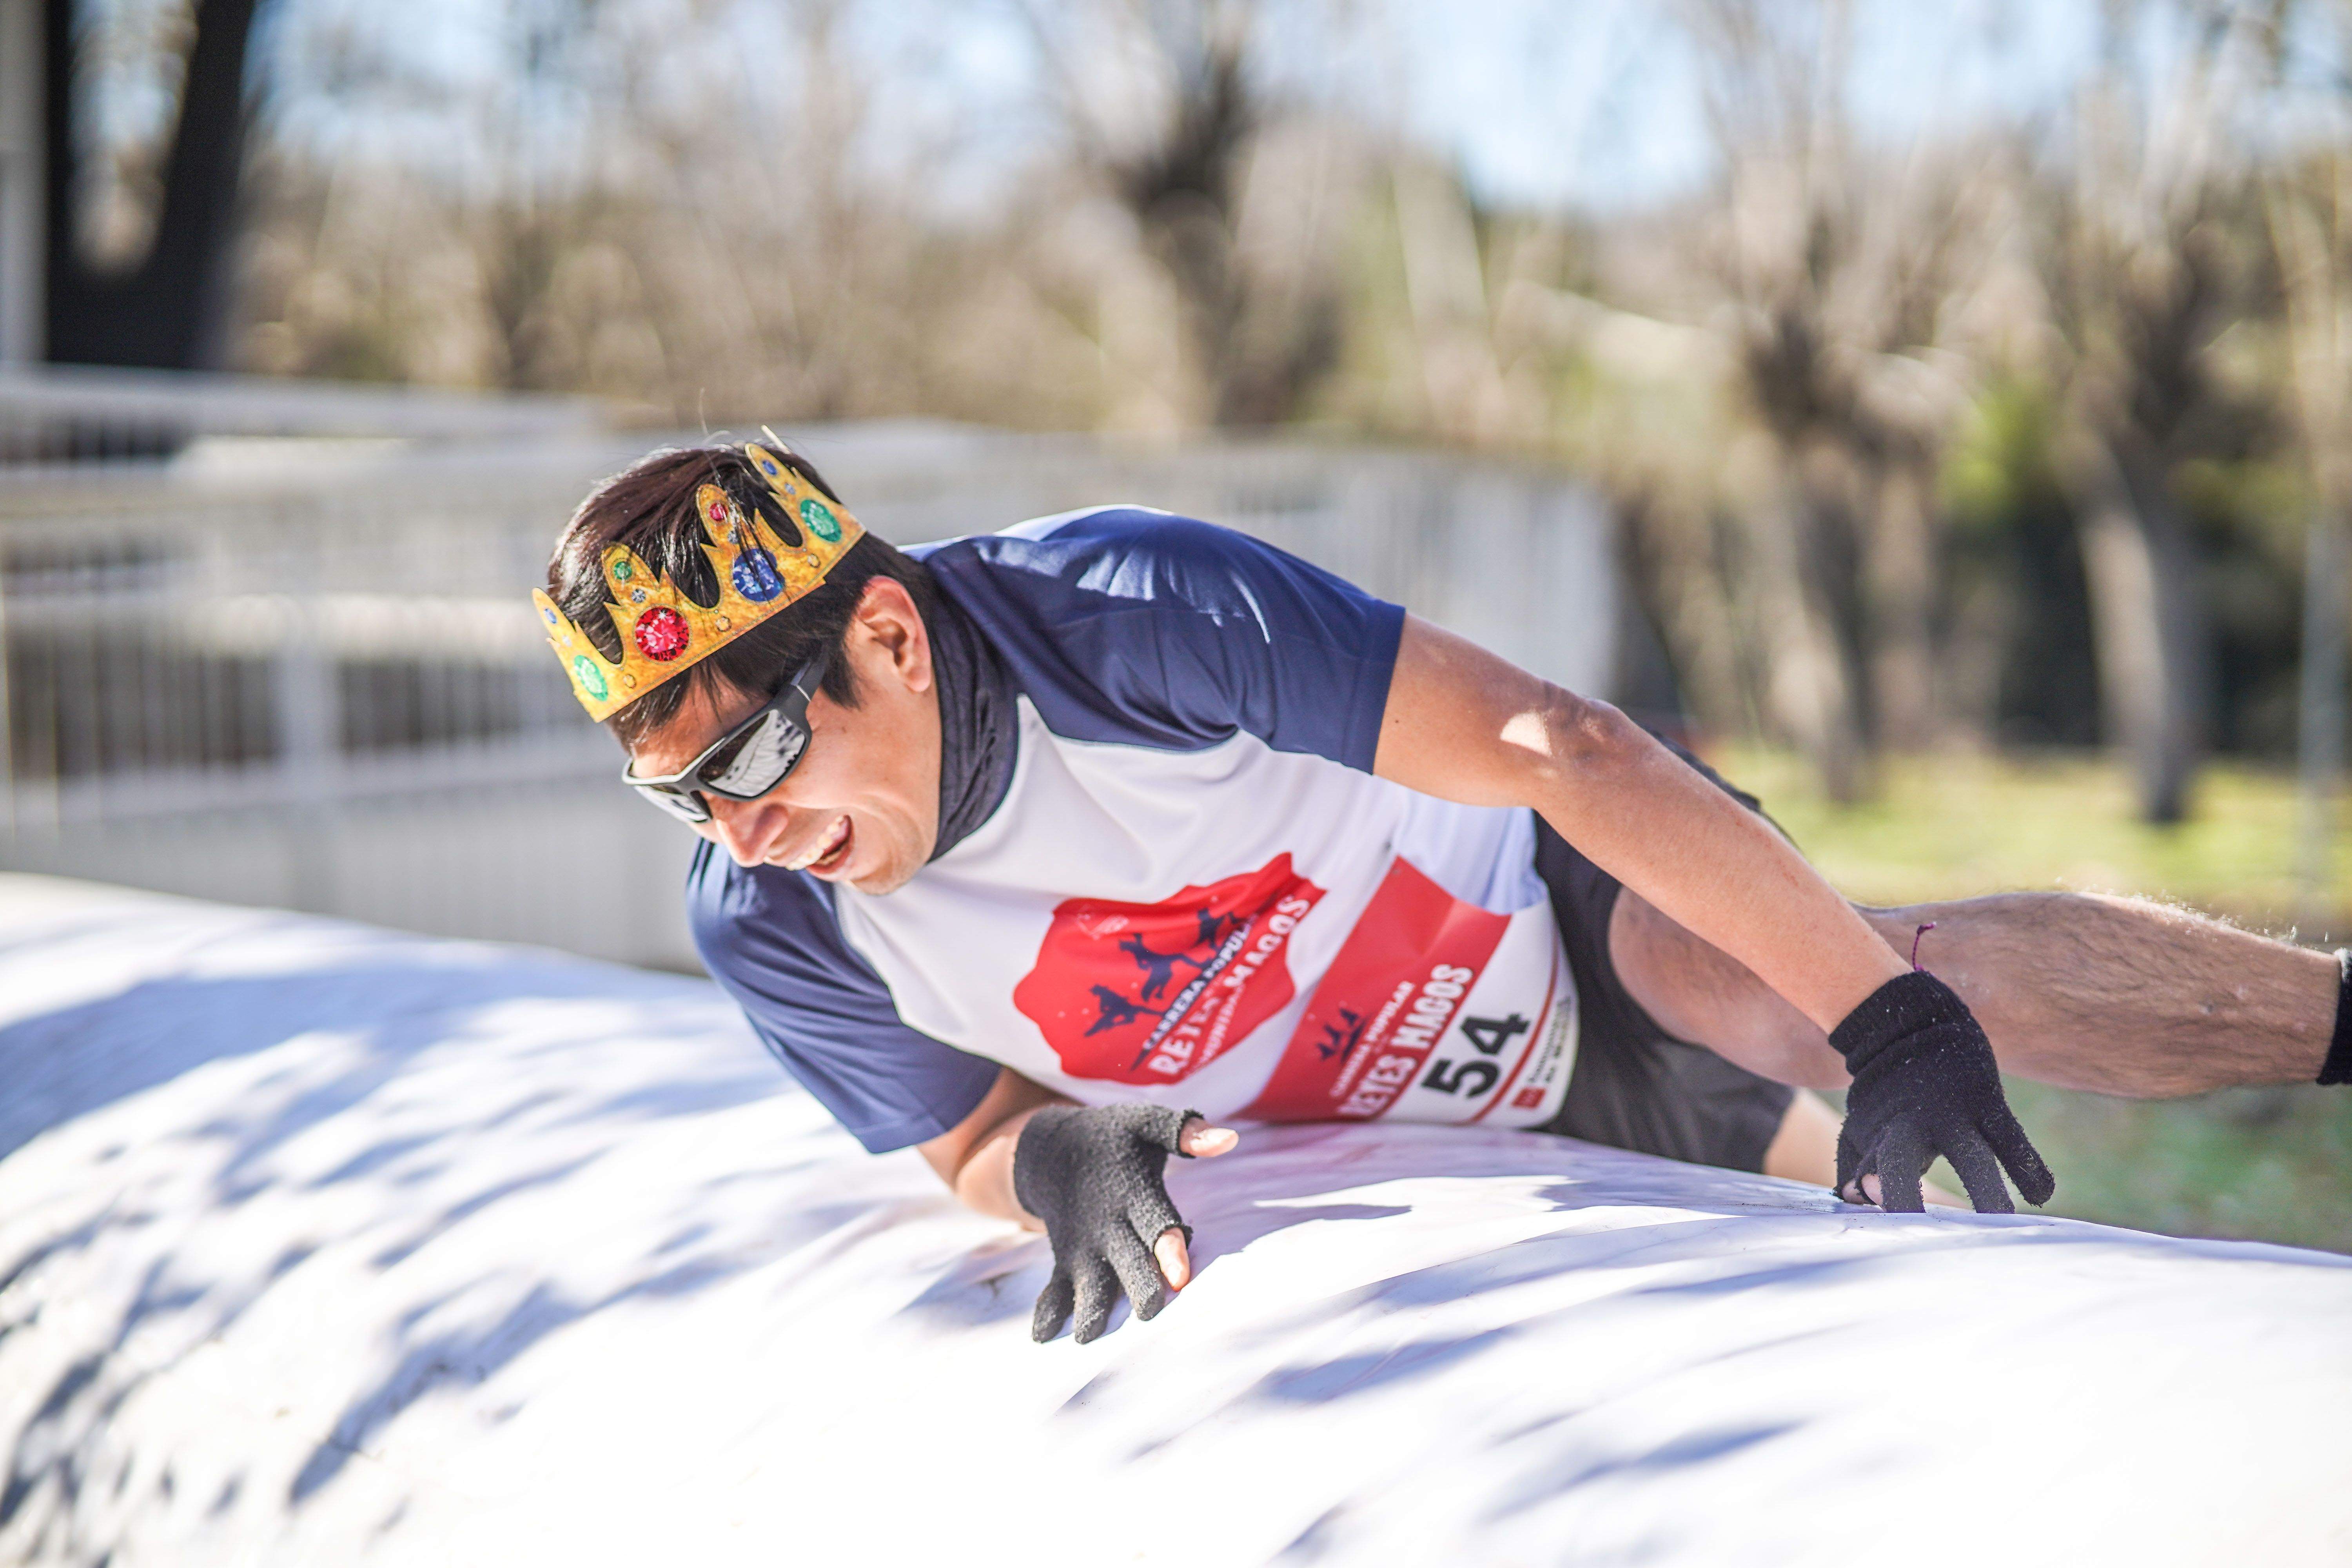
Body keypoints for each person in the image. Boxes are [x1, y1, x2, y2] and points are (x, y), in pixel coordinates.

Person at [535, 438, 2349, 1345]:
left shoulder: (1120, 618)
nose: (739, 830)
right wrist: (1051, 1160)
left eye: (758, 759)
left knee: (1797, 997)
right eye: (671, 791)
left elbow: (1557, 744)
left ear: (883, 636)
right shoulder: (765, 920)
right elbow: (966, 1141)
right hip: (1437, 1120)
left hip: (1557, 914)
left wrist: (1885, 1008)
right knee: (1886, 1233)